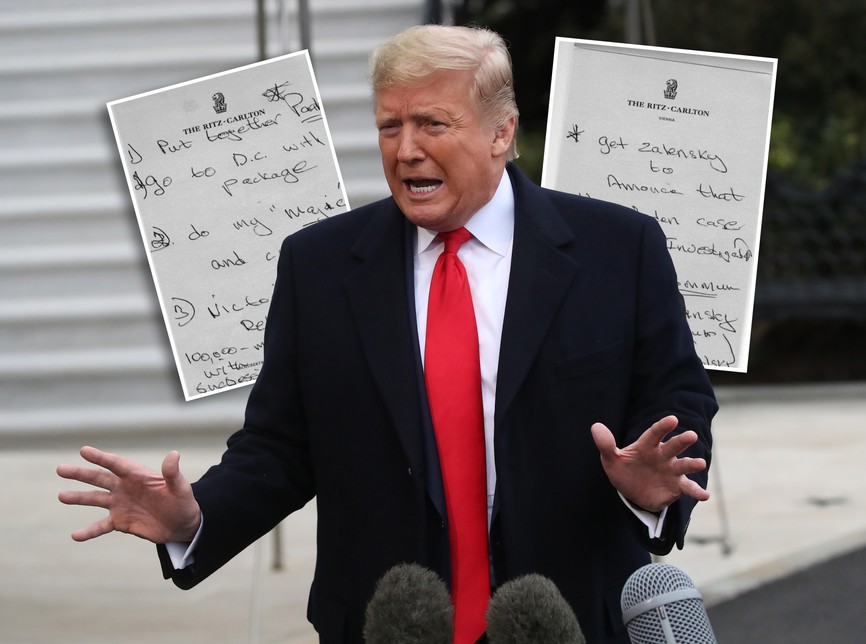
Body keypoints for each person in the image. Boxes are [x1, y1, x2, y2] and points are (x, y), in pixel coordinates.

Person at [58, 24, 718, 644]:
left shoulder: (618, 247)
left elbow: (675, 396)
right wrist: (195, 519)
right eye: (389, 126)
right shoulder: (317, 265)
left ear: (500, 132)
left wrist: (651, 490)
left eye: (432, 123)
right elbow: (281, 445)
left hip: (565, 618)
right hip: (386, 622)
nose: (406, 150)